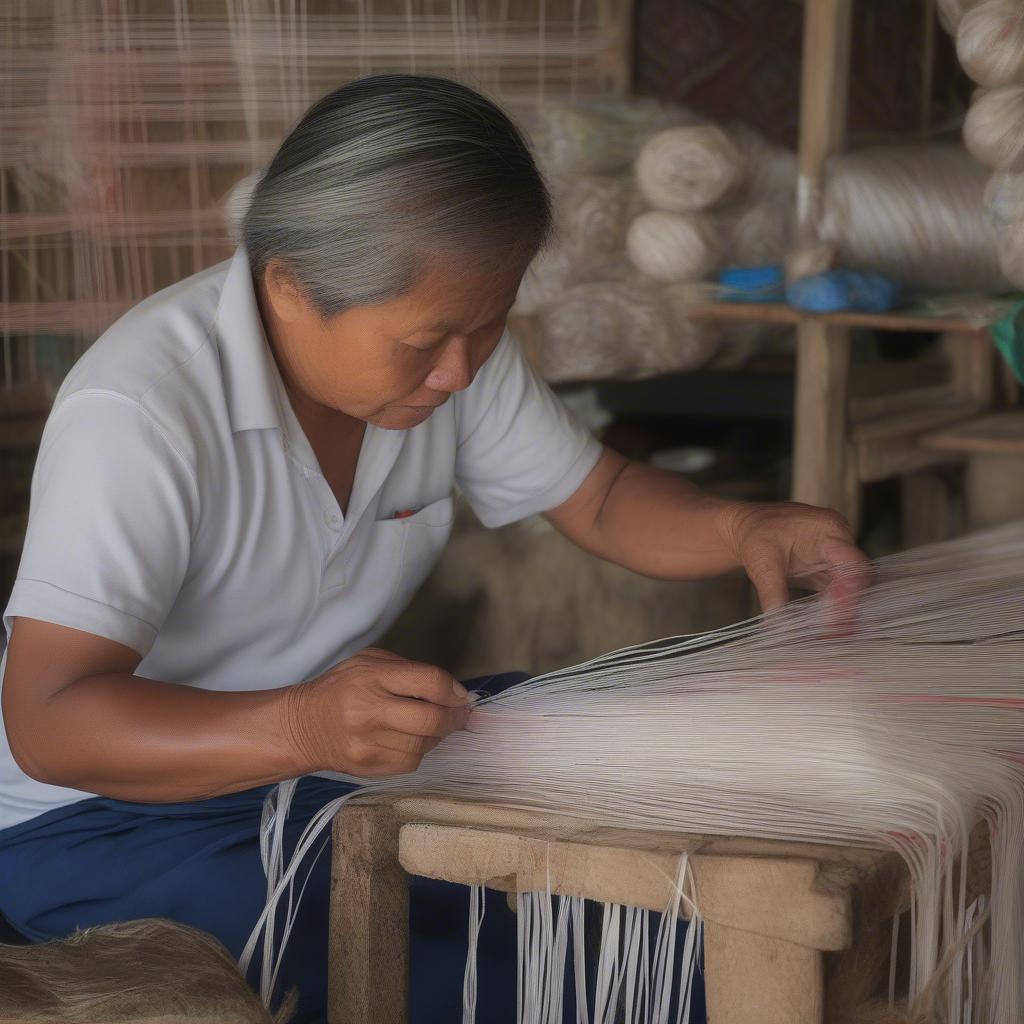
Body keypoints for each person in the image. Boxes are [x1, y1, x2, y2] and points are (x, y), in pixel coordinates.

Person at [0, 75, 866, 1023]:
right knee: (474, 974)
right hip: (99, 818)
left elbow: (603, 498)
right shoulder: (140, 412)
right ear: (288, 287)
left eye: (485, 328)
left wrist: (742, 527)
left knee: (662, 823)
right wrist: (301, 728)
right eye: (426, 341)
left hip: (317, 760)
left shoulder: (449, 358)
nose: (458, 371)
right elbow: (52, 722)